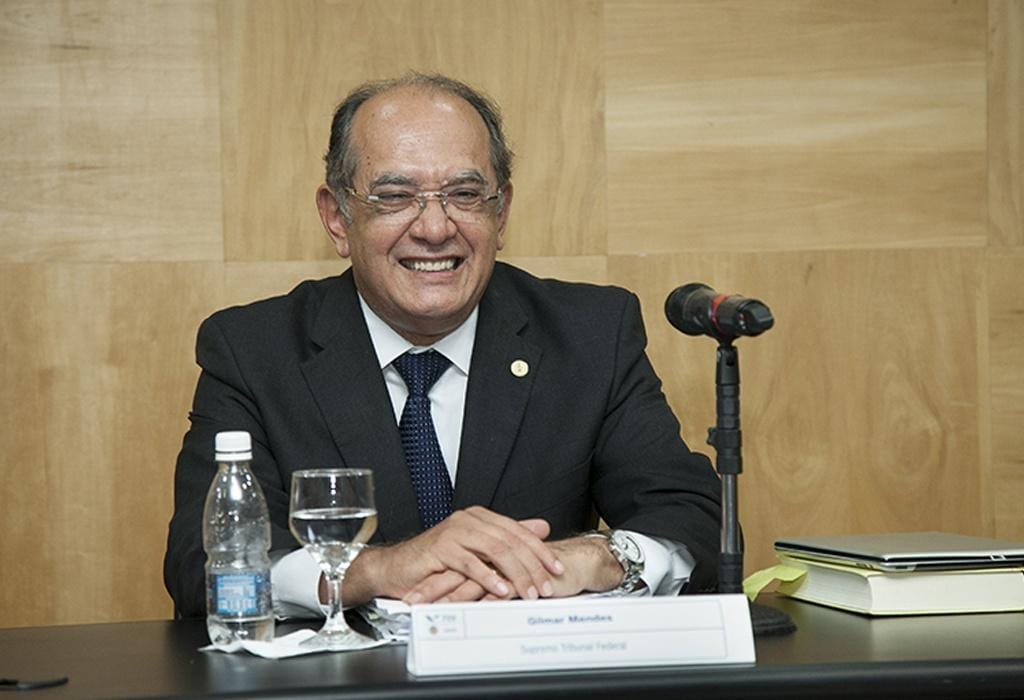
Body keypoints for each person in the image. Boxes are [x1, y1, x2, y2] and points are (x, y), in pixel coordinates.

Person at [164, 73, 721, 619]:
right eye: (394, 196)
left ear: (500, 212)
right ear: (337, 218)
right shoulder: (253, 352)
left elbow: (694, 520)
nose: (434, 228)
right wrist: (374, 571)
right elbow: (200, 564)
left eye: (464, 194)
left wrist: (593, 559)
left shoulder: (590, 334)